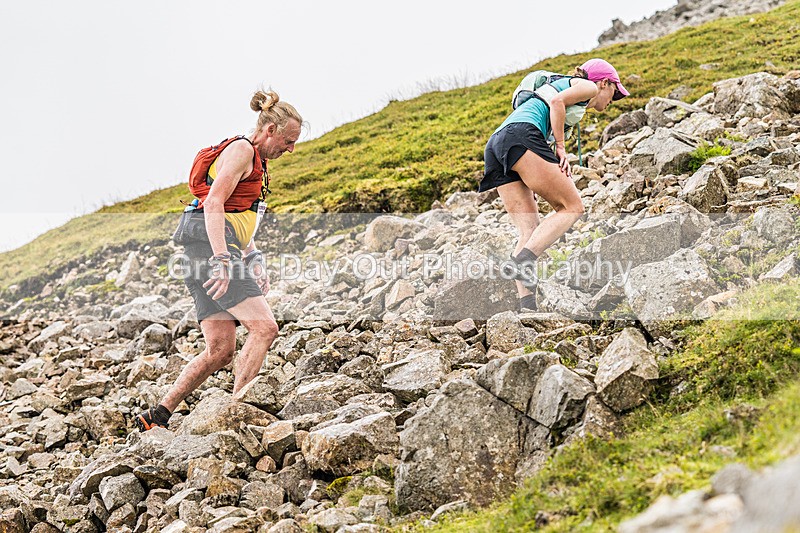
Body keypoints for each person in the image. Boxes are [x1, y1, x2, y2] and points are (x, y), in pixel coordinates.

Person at [135, 90, 302, 431]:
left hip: (200, 249)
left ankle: (158, 415)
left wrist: (253, 256)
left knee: (220, 350)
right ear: (270, 130)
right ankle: (237, 415)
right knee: (265, 328)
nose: (291, 148)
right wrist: (223, 260)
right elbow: (213, 204)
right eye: (288, 140)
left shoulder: (257, 161)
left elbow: (235, 216)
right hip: (210, 249)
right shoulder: (242, 150)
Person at [479, 58, 629, 311]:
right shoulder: (588, 87)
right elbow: (557, 103)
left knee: (530, 231)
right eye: (615, 91)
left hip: (496, 144)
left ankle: (527, 306)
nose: (613, 99)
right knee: (572, 207)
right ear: (604, 83)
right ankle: (521, 261)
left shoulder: (560, 86)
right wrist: (561, 147)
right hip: (521, 136)